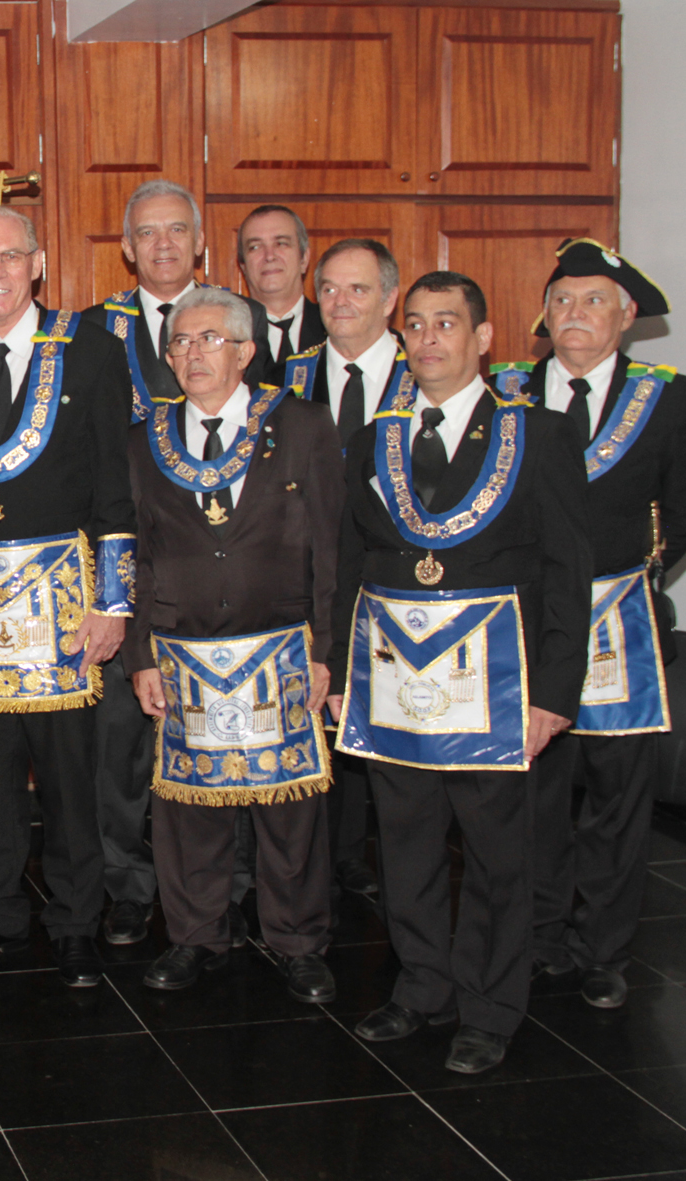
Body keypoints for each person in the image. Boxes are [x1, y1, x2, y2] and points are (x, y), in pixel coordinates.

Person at [328, 271, 590, 1075]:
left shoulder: (538, 435)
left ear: (483, 338)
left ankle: (489, 1006)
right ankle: (422, 986)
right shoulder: (372, 440)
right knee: (404, 845)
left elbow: (568, 570)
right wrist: (339, 672)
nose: (428, 337)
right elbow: (349, 564)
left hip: (497, 686)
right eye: (415, 324)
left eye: (447, 323)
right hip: (394, 678)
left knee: (497, 854)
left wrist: (555, 692)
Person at [0, 208, 135, 988]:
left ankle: (75, 923)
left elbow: (115, 485)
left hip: (63, 605)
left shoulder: (91, 350)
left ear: (38, 263)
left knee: (70, 776)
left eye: (12, 256)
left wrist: (113, 602)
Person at [491, 239, 686, 1008]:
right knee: (533, 791)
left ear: (626, 315)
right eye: (561, 300)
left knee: (617, 798)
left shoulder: (667, 397)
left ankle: (603, 949)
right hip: (524, 621)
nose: (575, 313)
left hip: (620, 621)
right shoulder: (505, 393)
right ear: (543, 316)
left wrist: (630, 576)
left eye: (593, 301)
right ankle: (540, 934)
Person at [126, 287, 343, 1000]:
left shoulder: (302, 424)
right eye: (181, 342)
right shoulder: (147, 438)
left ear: (246, 351)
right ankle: (195, 936)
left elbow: (330, 547)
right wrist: (140, 655)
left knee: (289, 811)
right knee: (189, 811)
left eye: (210, 339)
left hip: (280, 648)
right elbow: (140, 555)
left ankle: (298, 942)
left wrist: (327, 650)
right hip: (184, 650)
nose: (192, 353)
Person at [80, 179, 272, 950]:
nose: (162, 245)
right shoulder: (91, 330)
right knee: (122, 742)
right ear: (127, 248)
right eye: (147, 233)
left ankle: (235, 885)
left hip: (225, 570)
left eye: (176, 231)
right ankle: (128, 884)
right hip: (128, 566)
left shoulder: (241, 320)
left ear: (200, 242)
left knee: (230, 734)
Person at [283, 238, 412, 900]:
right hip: (306, 573)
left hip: (395, 579)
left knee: (386, 724)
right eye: (328, 288)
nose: (339, 301)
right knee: (317, 712)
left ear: (389, 299)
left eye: (357, 289)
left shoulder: (425, 371)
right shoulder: (288, 374)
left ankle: (375, 861)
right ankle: (319, 864)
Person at [238, 204, 324, 380]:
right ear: (243, 266)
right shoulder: (227, 337)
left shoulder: (332, 328)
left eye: (281, 243)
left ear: (304, 259)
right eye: (255, 247)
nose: (269, 256)